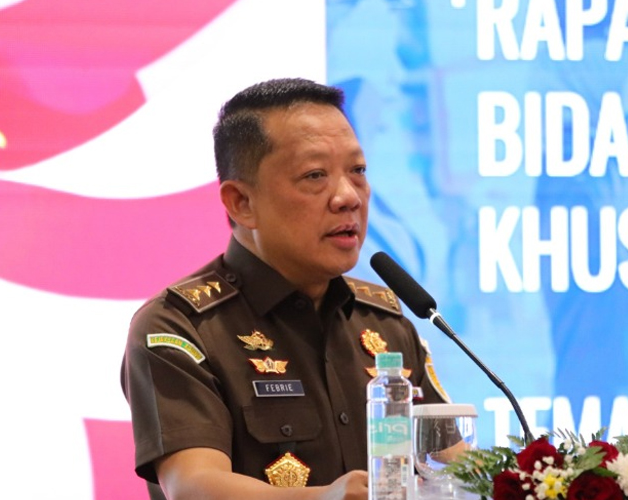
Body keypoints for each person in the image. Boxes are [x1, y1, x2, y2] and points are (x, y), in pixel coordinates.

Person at [120, 77, 454, 500]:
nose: (348, 197)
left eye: (358, 171)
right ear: (241, 202)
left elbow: (454, 463)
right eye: (315, 175)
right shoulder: (181, 327)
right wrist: (326, 498)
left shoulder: (384, 322)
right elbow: (192, 486)